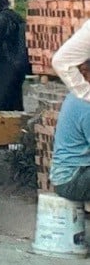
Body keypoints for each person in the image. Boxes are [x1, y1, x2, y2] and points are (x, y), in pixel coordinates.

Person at [50, 20, 90, 201]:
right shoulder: (86, 102)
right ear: (85, 70)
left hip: (71, 175)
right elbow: (59, 60)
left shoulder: (76, 95)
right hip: (72, 179)